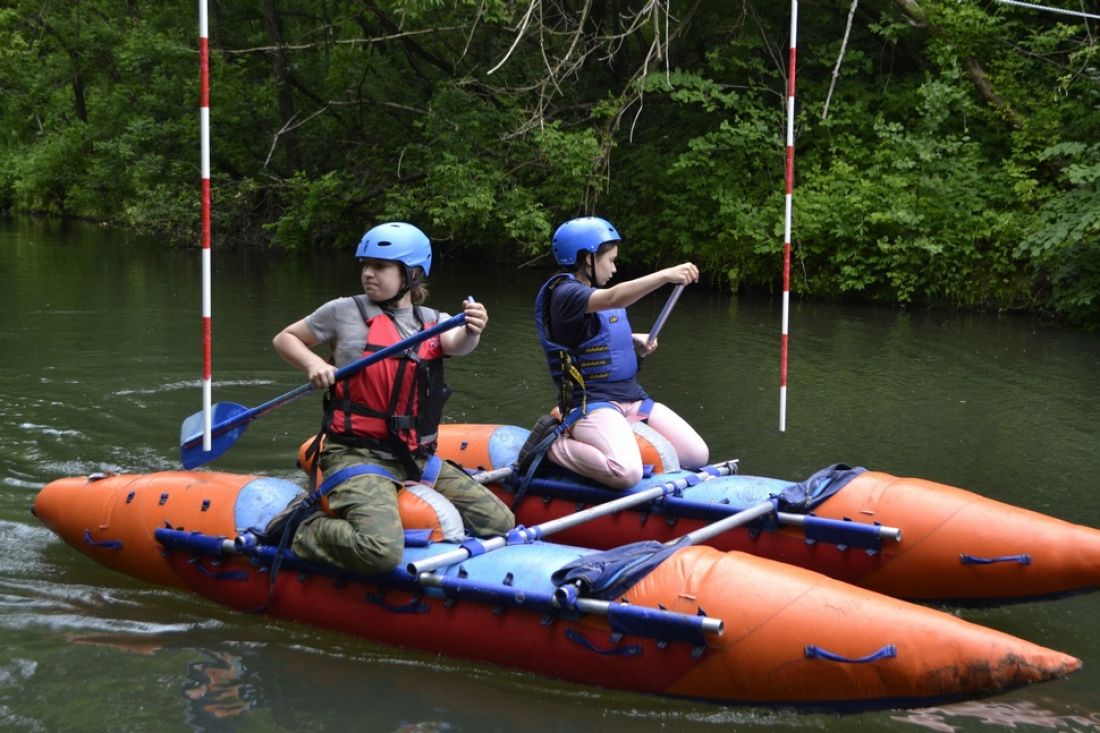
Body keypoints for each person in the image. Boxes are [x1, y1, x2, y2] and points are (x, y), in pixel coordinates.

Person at [270, 221, 515, 574]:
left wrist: (473, 328)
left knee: (501, 522)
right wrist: (312, 363)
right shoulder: (343, 311)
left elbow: (458, 344)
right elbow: (286, 338)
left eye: (381, 267)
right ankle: (303, 527)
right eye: (366, 266)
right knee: (380, 551)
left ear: (412, 274)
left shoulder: (435, 322)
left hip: (413, 455)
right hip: (354, 452)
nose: (369, 274)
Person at [532, 216, 709, 489]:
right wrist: (666, 275)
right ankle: (553, 445)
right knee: (626, 472)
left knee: (697, 454)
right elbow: (615, 297)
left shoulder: (588, 294)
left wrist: (631, 339)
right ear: (589, 258)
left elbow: (591, 335)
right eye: (611, 260)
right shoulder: (565, 293)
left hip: (631, 398)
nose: (614, 268)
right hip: (590, 403)